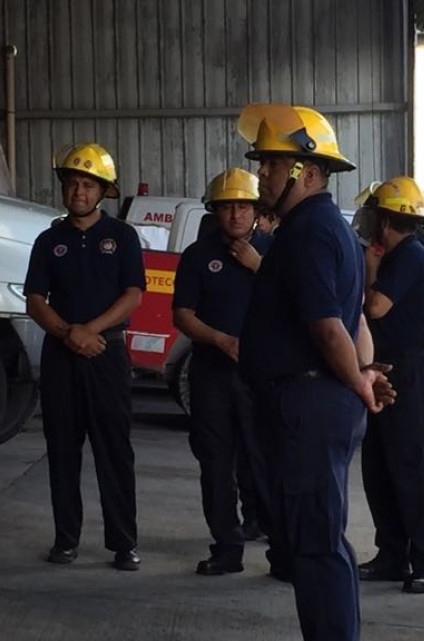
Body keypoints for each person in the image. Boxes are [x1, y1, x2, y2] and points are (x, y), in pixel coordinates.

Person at [237, 103, 393, 641]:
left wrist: (358, 381)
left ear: (303, 172)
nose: (261, 175)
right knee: (323, 540)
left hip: (307, 405)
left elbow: (330, 327)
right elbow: (354, 324)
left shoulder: (306, 233)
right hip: (317, 403)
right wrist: (364, 373)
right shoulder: (330, 230)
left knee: (316, 544)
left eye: (271, 166)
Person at [22, 142, 146, 571]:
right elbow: (34, 299)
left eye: (88, 184)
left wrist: (90, 332)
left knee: (114, 451)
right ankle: (66, 540)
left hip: (107, 355)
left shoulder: (123, 237)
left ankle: (124, 544)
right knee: (62, 451)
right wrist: (67, 334)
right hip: (62, 358)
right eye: (73, 182)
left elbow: (133, 295)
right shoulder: (48, 240)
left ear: (104, 191)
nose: (78, 191)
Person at [172, 167, 273, 576]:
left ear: (256, 210)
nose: (235, 215)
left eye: (243, 206)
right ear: (215, 210)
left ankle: (278, 548)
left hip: (261, 375)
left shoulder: (275, 252)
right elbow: (182, 315)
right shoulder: (199, 255)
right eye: (227, 207)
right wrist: (220, 340)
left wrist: (258, 265)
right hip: (212, 373)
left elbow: (296, 301)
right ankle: (227, 548)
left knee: (265, 461)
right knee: (215, 463)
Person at [354, 177, 424, 594]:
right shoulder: (397, 256)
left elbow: (375, 306)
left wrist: (370, 268)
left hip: (406, 371)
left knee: (411, 467)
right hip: (380, 367)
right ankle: (392, 555)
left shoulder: (410, 256)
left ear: (387, 221)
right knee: (380, 467)